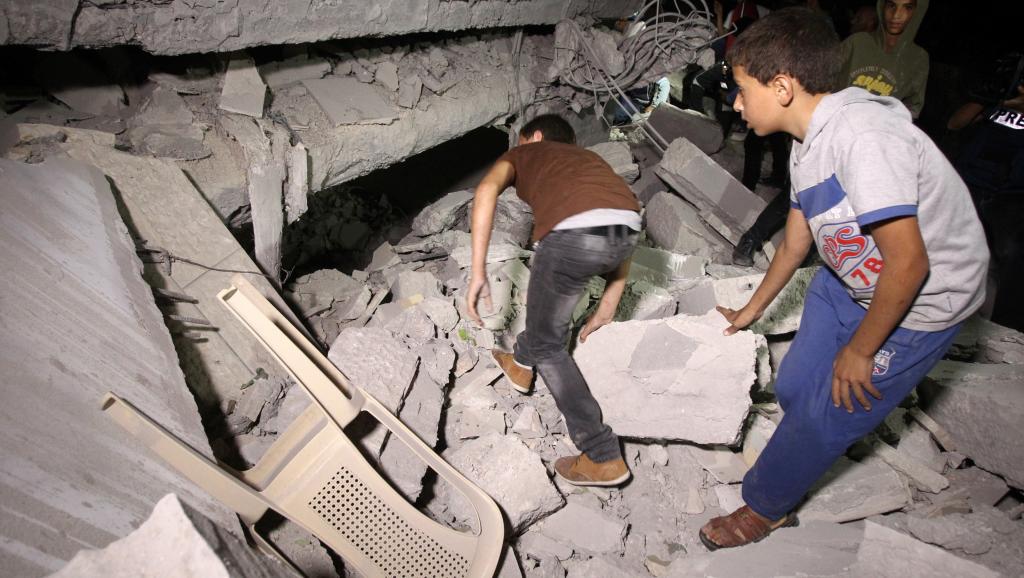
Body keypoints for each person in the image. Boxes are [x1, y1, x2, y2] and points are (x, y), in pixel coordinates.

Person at [698, 7, 989, 549]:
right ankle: (811, 439)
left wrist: (861, 350)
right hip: (848, 277)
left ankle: (766, 507)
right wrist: (749, 312)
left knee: (831, 406)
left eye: (742, 90)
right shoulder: (806, 141)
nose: (736, 104)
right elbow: (796, 240)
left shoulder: (864, 139)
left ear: (782, 87)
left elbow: (910, 264)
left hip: (920, 303)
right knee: (794, 386)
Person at [466, 114, 640, 487]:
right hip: (625, 231)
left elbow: (486, 191)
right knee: (548, 316)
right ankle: (520, 364)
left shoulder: (522, 154)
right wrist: (609, 301)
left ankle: (601, 454)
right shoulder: (588, 160)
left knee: (549, 346)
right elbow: (617, 218)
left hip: (572, 234)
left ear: (535, 137)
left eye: (521, 140)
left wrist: (477, 270)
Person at [948, 53, 1024, 331]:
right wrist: (996, 99)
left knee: (1002, 263)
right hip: (970, 184)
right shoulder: (999, 98)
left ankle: (989, 331)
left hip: (1011, 198)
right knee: (952, 255)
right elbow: (954, 123)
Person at [839, 0, 929, 119]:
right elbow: (824, 79)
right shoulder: (856, 43)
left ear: (917, 12)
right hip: (838, 122)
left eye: (907, 7)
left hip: (878, 128)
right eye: (891, 6)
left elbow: (912, 107)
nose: (896, 15)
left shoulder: (918, 58)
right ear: (882, 6)